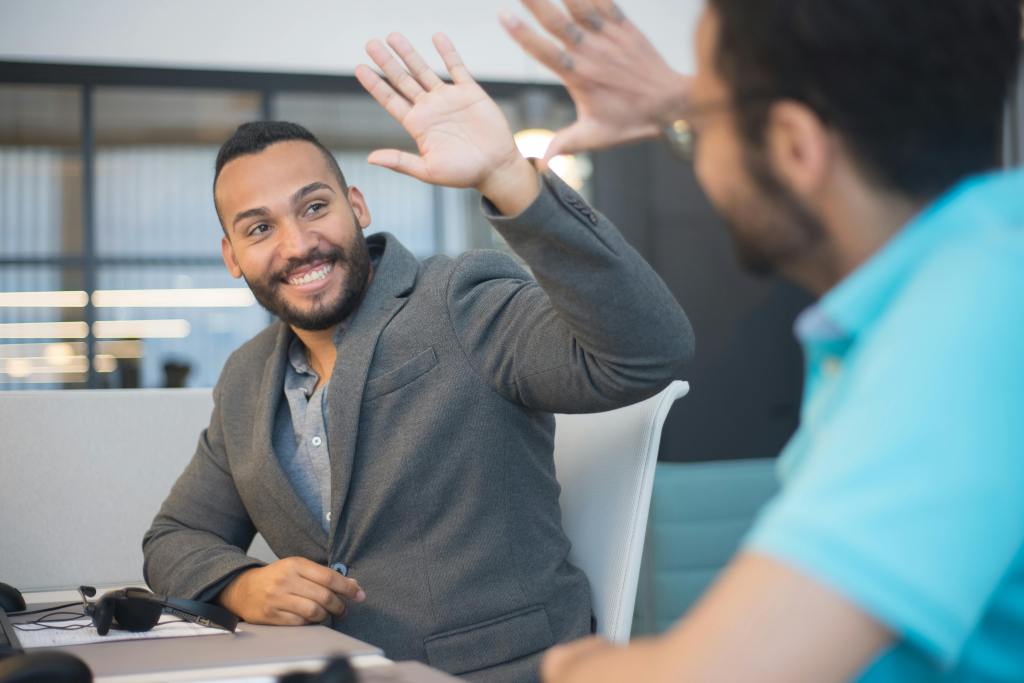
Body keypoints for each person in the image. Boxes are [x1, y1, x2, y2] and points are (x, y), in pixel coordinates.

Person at [141, 33, 694, 683]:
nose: (298, 244)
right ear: (233, 256)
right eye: (260, 228)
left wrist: (510, 178)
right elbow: (173, 538)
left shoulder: (462, 299)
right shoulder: (245, 379)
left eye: (314, 206)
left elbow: (645, 353)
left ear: (356, 206)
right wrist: (240, 584)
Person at [501, 0, 1024, 681]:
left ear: (794, 146)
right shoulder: (984, 266)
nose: (689, 140)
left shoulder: (966, 323)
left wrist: (574, 668)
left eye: (703, 119)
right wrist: (685, 106)